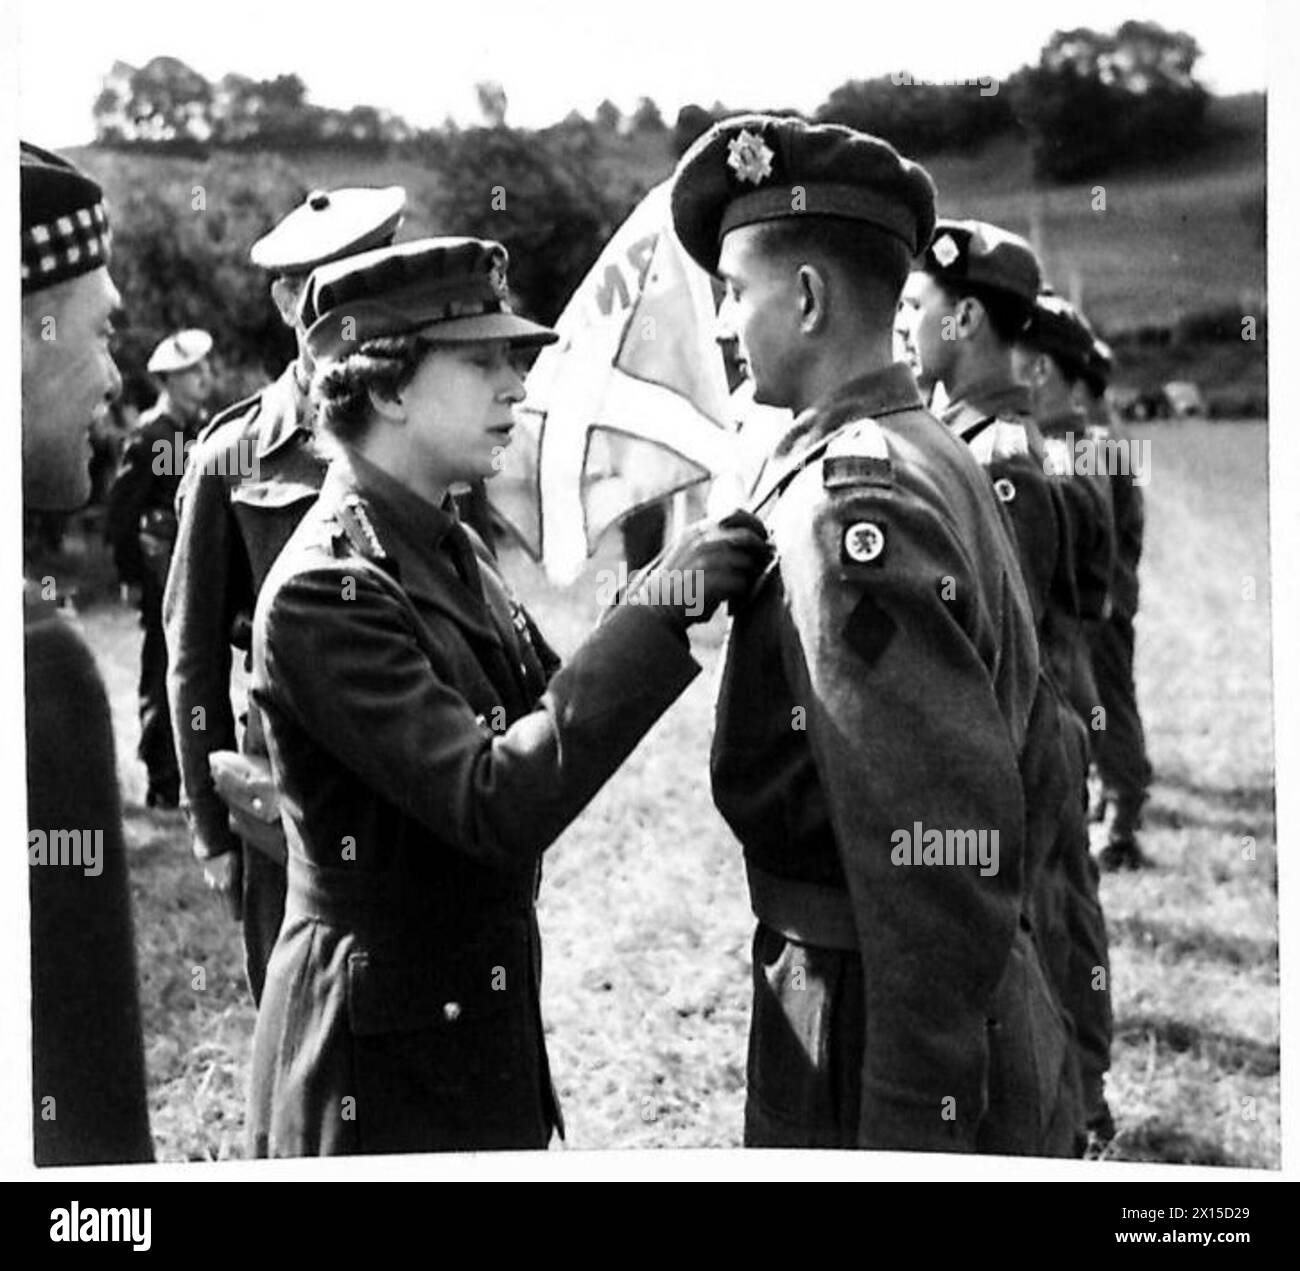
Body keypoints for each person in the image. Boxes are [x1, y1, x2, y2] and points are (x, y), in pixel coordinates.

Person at [246, 236, 770, 1155]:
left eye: (513, 359)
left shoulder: (444, 541)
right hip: (377, 1062)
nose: (515, 386)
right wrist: (657, 606)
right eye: (481, 360)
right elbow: (495, 800)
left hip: (461, 1027)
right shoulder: (327, 589)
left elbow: (543, 707)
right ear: (388, 387)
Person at [671, 115, 1078, 1154]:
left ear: (803, 298)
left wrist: (913, 1122)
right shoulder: (920, 446)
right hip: (920, 985)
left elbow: (931, 848)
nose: (721, 324)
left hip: (866, 1009)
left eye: (732, 289)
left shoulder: (856, 497)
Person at [164, 186, 405, 1004]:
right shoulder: (236, 455)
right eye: (329, 284)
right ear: (283, 301)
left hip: (419, 788)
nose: (356, 306)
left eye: (375, 275)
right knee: (304, 1033)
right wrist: (211, 829)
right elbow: (191, 656)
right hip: (283, 810)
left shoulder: (423, 421)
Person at [904, 225, 1114, 1147]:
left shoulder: (998, 462)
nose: (906, 324)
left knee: (1042, 931)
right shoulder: (975, 440)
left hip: (1027, 744)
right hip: (1037, 736)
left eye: (917, 307)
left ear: (969, 318)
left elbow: (1012, 651)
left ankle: (1071, 1122)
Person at [21, 141, 153, 1164]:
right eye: (102, 329)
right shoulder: (35, 661)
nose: (114, 373)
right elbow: (81, 1108)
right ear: (25, 332)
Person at [1042, 317, 1153, 872]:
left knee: (1110, 705)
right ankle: (1111, 803)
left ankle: (1123, 821)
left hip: (1100, 605)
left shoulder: (1096, 449)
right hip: (1102, 599)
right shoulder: (1098, 445)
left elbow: (1095, 539)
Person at [106, 328, 214, 807]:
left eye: (204, 369)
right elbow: (122, 513)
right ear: (167, 380)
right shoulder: (152, 436)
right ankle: (162, 781)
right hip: (158, 571)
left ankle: (189, 773)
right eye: (191, 372)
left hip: (188, 571)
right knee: (161, 671)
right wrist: (129, 575)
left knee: (193, 668)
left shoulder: (194, 435)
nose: (203, 378)